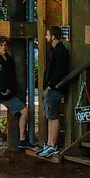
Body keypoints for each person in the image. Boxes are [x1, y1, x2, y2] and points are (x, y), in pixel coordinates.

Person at [0, 35, 31, 158]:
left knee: (24, 111)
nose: (3, 48)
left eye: (5, 45)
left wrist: (9, 89)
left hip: (8, 94)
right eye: (1, 45)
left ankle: (22, 139)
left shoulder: (10, 60)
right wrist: (1, 89)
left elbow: (13, 78)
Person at [36, 26, 70, 158]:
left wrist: (51, 85)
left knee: (54, 117)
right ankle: (49, 143)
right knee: (49, 116)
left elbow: (60, 71)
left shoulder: (61, 51)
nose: (46, 37)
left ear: (53, 36)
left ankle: (53, 145)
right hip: (51, 88)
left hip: (55, 89)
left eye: (48, 34)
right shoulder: (54, 50)